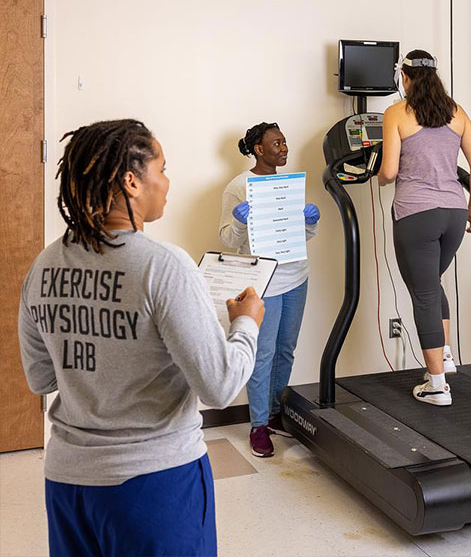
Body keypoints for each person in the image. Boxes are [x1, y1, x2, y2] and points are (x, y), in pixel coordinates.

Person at [18, 119, 265, 557]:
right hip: (154, 484)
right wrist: (246, 324)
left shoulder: (44, 265)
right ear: (132, 181)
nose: (168, 182)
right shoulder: (163, 265)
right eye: (163, 169)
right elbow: (222, 386)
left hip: (68, 485)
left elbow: (42, 380)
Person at [378, 49, 471, 407]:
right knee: (431, 284)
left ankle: (437, 385)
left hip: (415, 214)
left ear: (404, 78)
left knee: (423, 294)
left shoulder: (396, 113)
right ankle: (446, 356)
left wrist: (379, 177)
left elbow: (390, 171)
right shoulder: (456, 112)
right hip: (454, 213)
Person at [219, 122, 320, 457]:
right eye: (276, 143)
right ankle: (258, 425)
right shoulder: (238, 187)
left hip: (296, 276)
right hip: (264, 283)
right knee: (262, 355)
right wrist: (238, 221)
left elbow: (300, 236)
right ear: (258, 149)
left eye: (285, 142)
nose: (284, 148)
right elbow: (228, 241)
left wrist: (310, 221)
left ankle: (276, 413)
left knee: (285, 349)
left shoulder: (288, 184)